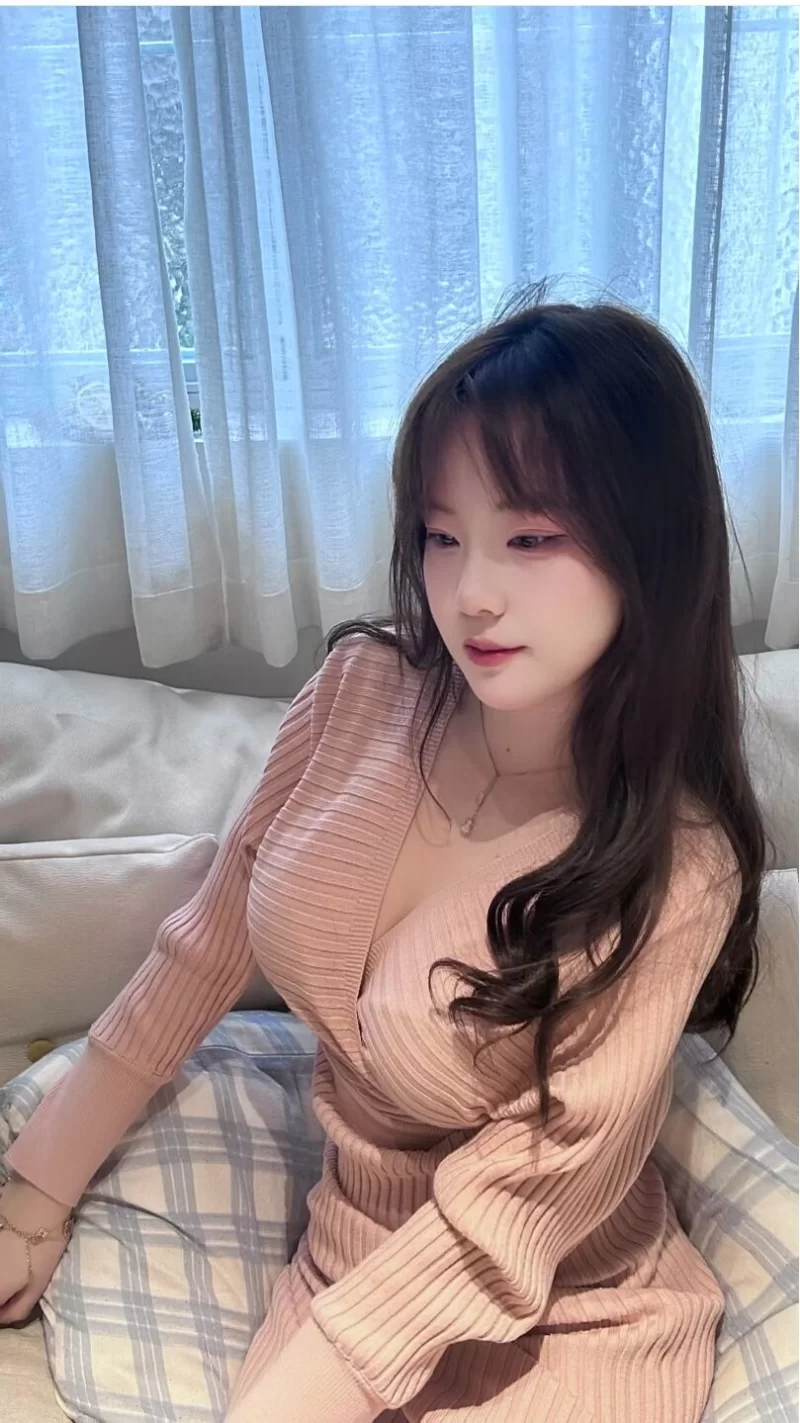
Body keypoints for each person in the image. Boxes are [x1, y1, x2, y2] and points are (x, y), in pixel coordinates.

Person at [0, 289, 767, 1423]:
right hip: (345, 1265)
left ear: (650, 545)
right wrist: (33, 1195)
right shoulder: (361, 692)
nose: (471, 593)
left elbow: (518, 1206)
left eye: (531, 536)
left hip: (566, 1312)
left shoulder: (677, 864)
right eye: (441, 536)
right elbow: (203, 947)